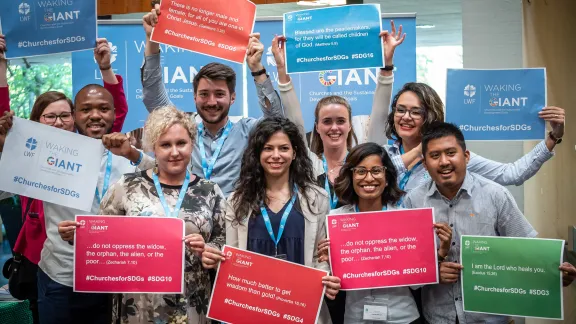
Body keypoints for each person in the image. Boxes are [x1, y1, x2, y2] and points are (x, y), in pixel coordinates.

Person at [0, 84, 153, 324]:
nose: (94, 115)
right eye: (85, 109)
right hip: (60, 278)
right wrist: (5, 151)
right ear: (75, 115)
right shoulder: (47, 156)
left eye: (103, 109)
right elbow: (3, 189)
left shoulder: (127, 156)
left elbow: (168, 184)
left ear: (114, 113)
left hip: (114, 277)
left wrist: (133, 155)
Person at [58, 106, 226, 323]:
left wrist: (211, 250)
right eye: (165, 145)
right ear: (153, 148)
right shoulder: (126, 186)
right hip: (139, 302)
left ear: (191, 144)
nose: (174, 152)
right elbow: (102, 237)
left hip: (192, 299)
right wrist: (78, 237)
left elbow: (223, 239)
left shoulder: (209, 190)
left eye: (181, 143)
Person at [402, 121, 576, 324]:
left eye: (451, 153)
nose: (444, 162)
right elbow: (407, 265)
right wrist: (432, 271)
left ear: (466, 157)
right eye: (434, 156)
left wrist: (553, 275)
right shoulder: (414, 201)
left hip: (489, 317)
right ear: (425, 163)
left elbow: (528, 252)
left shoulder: (495, 195)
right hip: (438, 317)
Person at [200, 117, 341, 323]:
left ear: (294, 153)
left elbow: (321, 256)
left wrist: (324, 277)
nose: (276, 155)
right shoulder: (237, 201)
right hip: (253, 307)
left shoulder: (317, 199)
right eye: (268, 148)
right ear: (257, 154)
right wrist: (215, 260)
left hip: (301, 307)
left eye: (283, 148)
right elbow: (232, 257)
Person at [140, 5, 284, 197]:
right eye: (204, 94)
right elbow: (153, 97)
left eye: (219, 94)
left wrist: (257, 68)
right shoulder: (182, 129)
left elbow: (276, 120)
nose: (211, 101)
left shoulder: (247, 131)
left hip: (234, 220)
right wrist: (152, 41)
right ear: (194, 97)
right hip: (190, 218)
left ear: (233, 98)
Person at [316, 142, 452, 324]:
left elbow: (416, 282)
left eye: (376, 171)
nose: (369, 178)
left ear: (387, 177)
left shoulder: (405, 219)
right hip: (356, 317)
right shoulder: (335, 220)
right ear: (351, 176)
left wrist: (440, 253)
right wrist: (328, 263)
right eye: (361, 171)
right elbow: (336, 279)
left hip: (403, 317)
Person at [371, 77, 566, 194]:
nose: (406, 117)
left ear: (429, 116)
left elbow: (512, 174)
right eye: (400, 110)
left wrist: (552, 138)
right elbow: (380, 173)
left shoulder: (450, 158)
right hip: (391, 245)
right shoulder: (384, 154)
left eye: (415, 112)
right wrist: (417, 152)